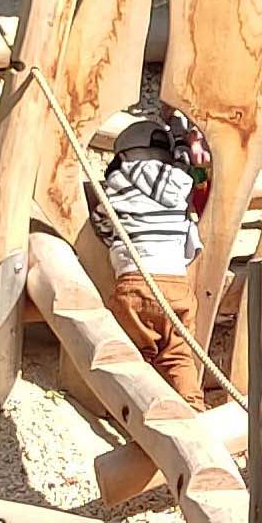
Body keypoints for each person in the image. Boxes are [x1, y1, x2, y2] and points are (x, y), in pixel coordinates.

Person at [93, 105, 210, 404]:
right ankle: (192, 407)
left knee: (135, 356)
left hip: (135, 283)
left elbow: (103, 227)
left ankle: (141, 412)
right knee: (178, 354)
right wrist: (181, 133)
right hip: (175, 285)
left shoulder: (114, 186)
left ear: (123, 155)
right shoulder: (179, 181)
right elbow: (193, 176)